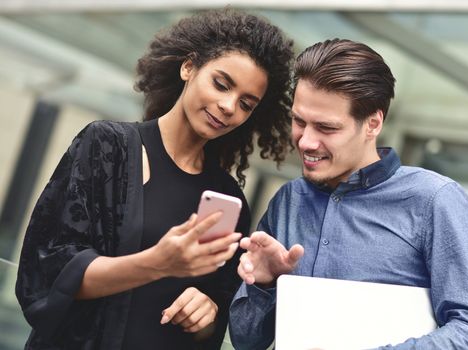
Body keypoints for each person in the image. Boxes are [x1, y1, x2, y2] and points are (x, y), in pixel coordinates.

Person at [15, 8, 294, 350]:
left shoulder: (227, 198)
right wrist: (158, 263)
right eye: (221, 84)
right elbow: (48, 272)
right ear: (188, 67)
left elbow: (214, 315)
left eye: (246, 104)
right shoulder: (107, 146)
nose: (228, 106)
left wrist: (207, 310)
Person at [229, 39, 468, 349]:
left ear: (373, 123)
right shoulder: (288, 201)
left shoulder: (435, 200)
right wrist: (264, 285)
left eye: (326, 127)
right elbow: (246, 340)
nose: (306, 141)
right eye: (299, 121)